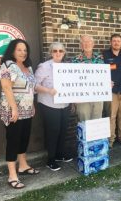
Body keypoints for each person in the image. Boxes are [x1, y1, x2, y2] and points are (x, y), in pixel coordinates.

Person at [0, 39, 39, 189]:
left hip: (27, 109)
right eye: (19, 49)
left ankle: (23, 165)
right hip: (12, 110)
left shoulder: (28, 67)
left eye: (25, 50)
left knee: (24, 139)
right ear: (12, 51)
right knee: (13, 140)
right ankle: (12, 175)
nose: (23, 53)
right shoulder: (8, 65)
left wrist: (32, 104)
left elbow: (31, 88)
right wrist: (14, 108)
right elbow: (6, 88)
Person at [35, 42, 72, 171]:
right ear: (51, 52)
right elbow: (34, 85)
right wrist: (48, 90)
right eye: (55, 51)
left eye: (60, 51)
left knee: (63, 130)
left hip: (64, 104)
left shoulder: (67, 67)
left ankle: (59, 155)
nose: (58, 53)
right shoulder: (44, 67)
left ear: (64, 52)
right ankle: (50, 160)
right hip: (49, 104)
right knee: (53, 131)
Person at [71, 35, 104, 121]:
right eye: (84, 42)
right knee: (84, 120)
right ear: (81, 45)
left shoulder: (100, 58)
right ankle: (85, 135)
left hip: (98, 95)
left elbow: (104, 75)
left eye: (89, 42)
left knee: (97, 121)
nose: (86, 44)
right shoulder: (75, 60)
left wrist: (107, 83)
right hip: (82, 97)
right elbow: (72, 79)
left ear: (93, 44)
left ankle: (96, 135)